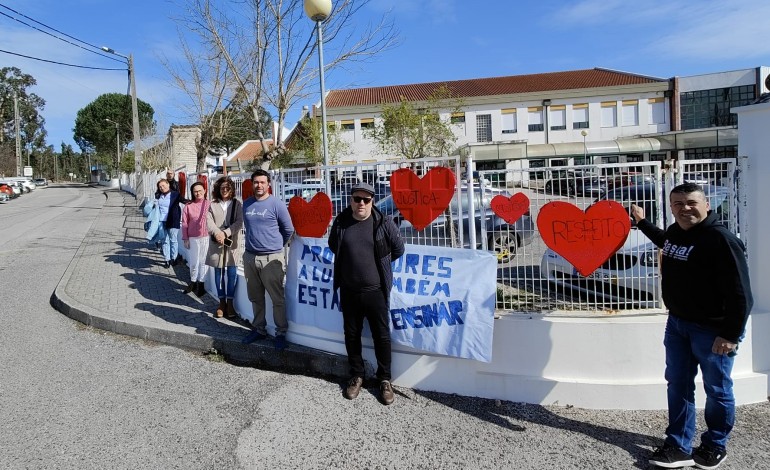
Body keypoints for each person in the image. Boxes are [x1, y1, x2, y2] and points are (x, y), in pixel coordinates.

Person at [631, 183, 753, 470]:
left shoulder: (720, 240)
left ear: (706, 204)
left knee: (717, 390)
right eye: (678, 204)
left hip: (713, 331)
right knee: (678, 385)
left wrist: (729, 334)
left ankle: (714, 445)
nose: (685, 208)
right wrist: (642, 222)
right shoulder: (676, 232)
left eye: (690, 202)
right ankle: (678, 445)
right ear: (671, 208)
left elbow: (741, 294)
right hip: (678, 325)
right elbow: (666, 242)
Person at [328, 182, 405, 405]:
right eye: (357, 199)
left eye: (366, 200)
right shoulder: (341, 222)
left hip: (376, 292)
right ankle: (357, 375)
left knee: (381, 337)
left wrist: (380, 262)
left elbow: (399, 248)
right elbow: (335, 246)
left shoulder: (383, 222)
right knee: (352, 336)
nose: (361, 203)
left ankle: (384, 379)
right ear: (351, 200)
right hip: (349, 292)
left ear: (372, 201)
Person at [241, 169, 294, 350]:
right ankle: (259, 329)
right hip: (250, 257)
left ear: (268, 184)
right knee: (255, 297)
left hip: (271, 258)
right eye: (256, 182)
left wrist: (275, 246)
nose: (259, 185)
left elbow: (288, 229)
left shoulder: (276, 204)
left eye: (262, 182)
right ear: (252, 184)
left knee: (277, 298)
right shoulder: (246, 204)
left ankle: (281, 333)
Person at [205, 177, 243, 319]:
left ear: (232, 189)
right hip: (217, 242)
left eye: (228, 187)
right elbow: (208, 221)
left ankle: (230, 303)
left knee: (232, 272)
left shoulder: (237, 204)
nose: (225, 190)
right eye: (222, 187)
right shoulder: (212, 204)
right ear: (218, 189)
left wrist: (226, 233)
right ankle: (221, 303)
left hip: (232, 243)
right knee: (218, 272)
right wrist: (217, 233)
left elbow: (239, 222)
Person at [181, 182, 210, 297]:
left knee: (204, 262)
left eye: (200, 190)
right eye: (195, 191)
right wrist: (185, 238)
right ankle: (193, 282)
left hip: (206, 237)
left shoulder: (209, 204)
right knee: (194, 262)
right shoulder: (188, 206)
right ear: (192, 193)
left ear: (204, 191)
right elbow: (184, 223)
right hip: (193, 238)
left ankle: (201, 285)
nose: (198, 193)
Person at [155, 179, 183, 268]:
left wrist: (193, 202)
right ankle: (166, 259)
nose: (162, 188)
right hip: (162, 221)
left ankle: (173, 258)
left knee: (173, 240)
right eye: (160, 187)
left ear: (168, 184)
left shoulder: (175, 194)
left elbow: (184, 200)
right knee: (164, 241)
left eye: (163, 185)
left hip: (173, 220)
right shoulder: (158, 195)